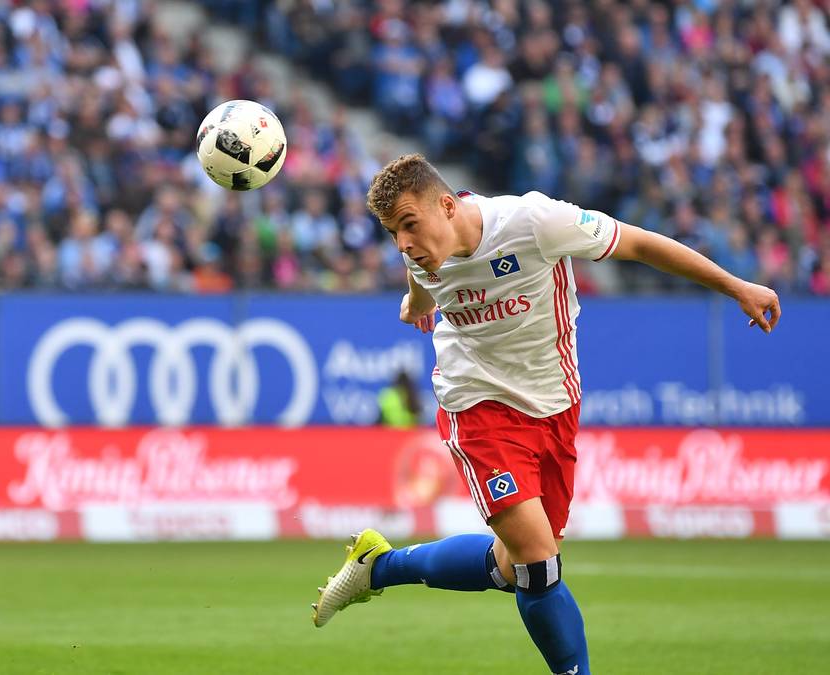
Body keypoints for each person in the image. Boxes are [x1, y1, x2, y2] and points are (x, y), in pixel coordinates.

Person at [311, 154, 780, 674]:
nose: (402, 244)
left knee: (514, 569)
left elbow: (641, 244)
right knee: (538, 564)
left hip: (555, 405)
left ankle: (380, 567)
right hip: (479, 407)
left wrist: (738, 287)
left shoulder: (533, 222)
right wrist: (416, 303)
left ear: (447, 206)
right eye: (393, 233)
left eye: (408, 225)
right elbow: (419, 291)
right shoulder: (422, 252)